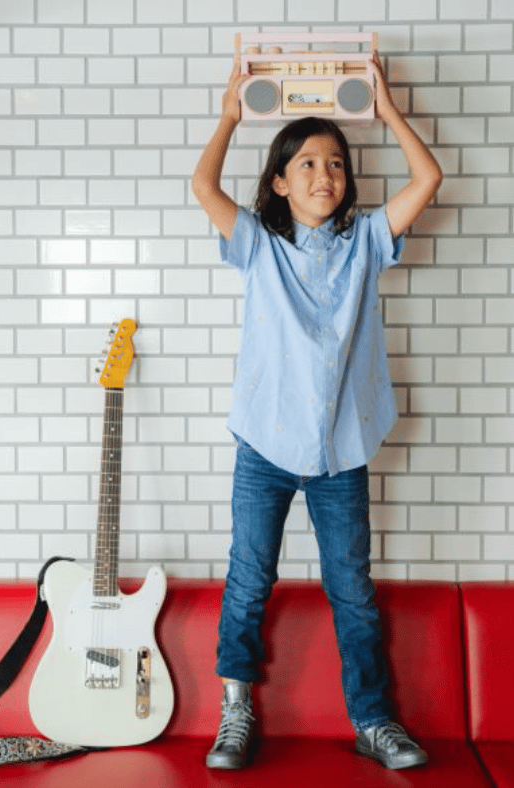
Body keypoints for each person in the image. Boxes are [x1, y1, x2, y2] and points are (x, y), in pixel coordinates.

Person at [192, 51, 442, 771]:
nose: (324, 176)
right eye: (305, 164)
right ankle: (235, 711)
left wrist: (389, 109)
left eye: (335, 164)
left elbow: (428, 179)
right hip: (264, 451)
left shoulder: (367, 242)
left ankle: (372, 719)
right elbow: (201, 184)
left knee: (353, 593)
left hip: (341, 454)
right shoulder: (257, 246)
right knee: (247, 583)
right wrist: (230, 116)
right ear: (278, 180)